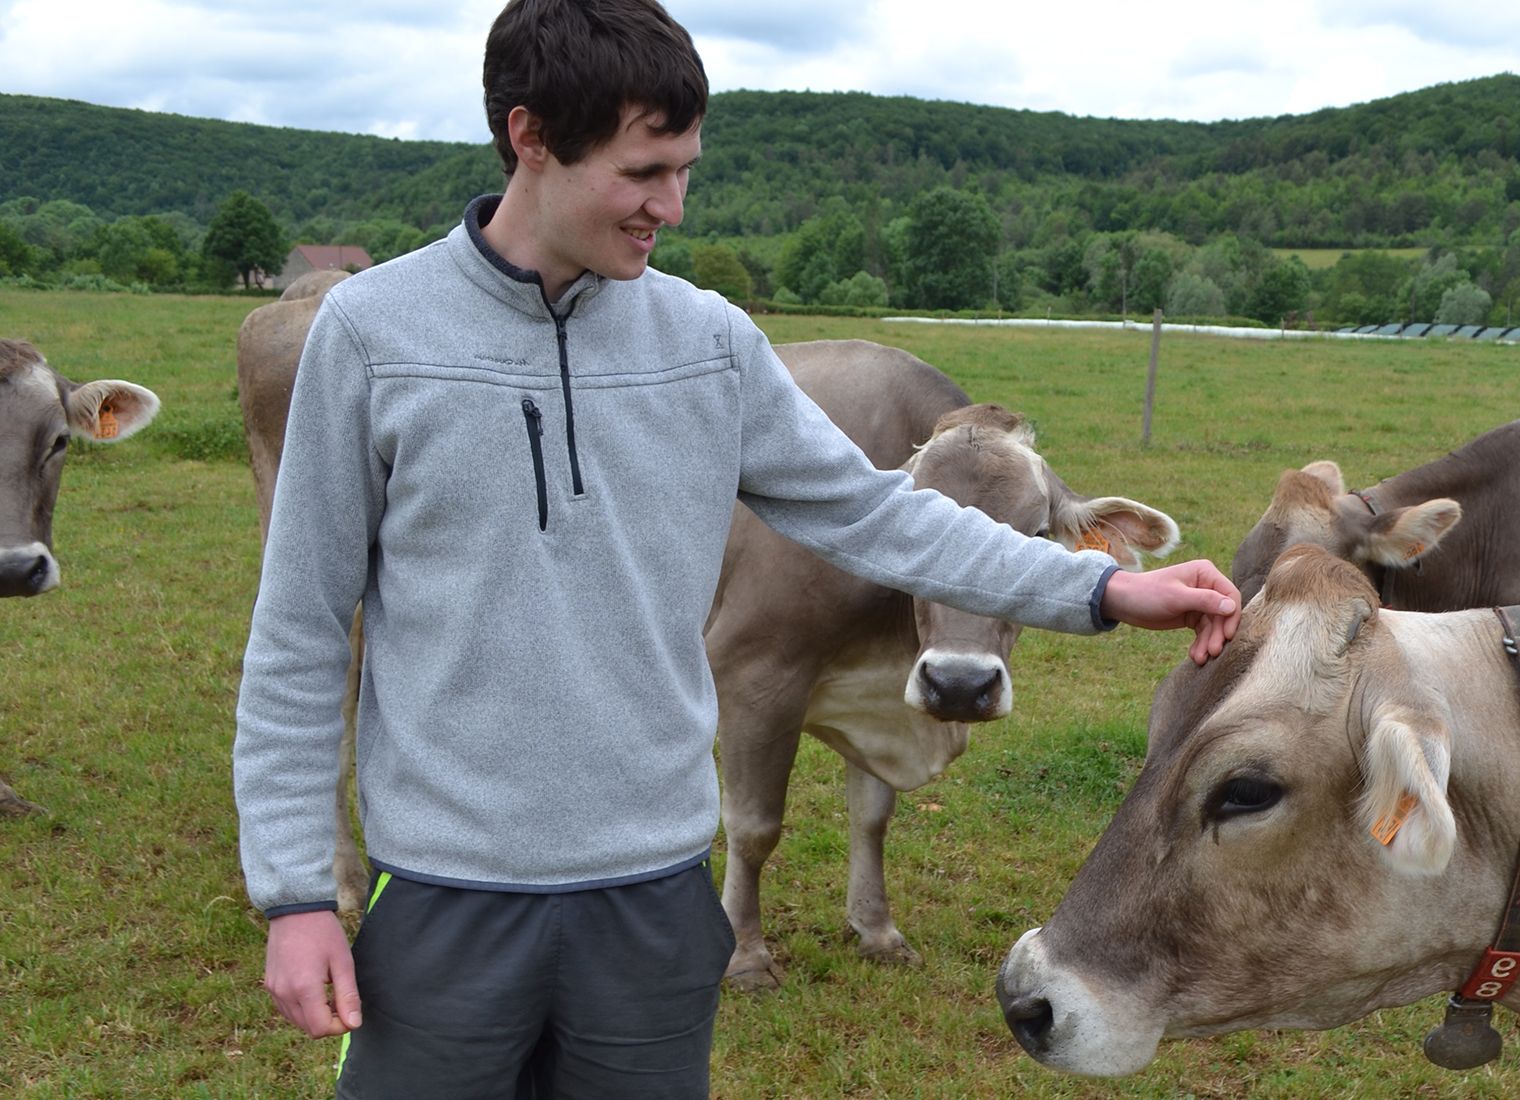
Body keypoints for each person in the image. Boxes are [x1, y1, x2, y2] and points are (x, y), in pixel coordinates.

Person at [230, 1, 1240, 1095]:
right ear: (529, 136)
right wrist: (293, 894)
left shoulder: (706, 342)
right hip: (441, 897)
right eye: (642, 171)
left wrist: (1099, 586)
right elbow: (297, 631)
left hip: (655, 902)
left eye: (686, 168)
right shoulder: (375, 337)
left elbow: (878, 511)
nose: (671, 204)